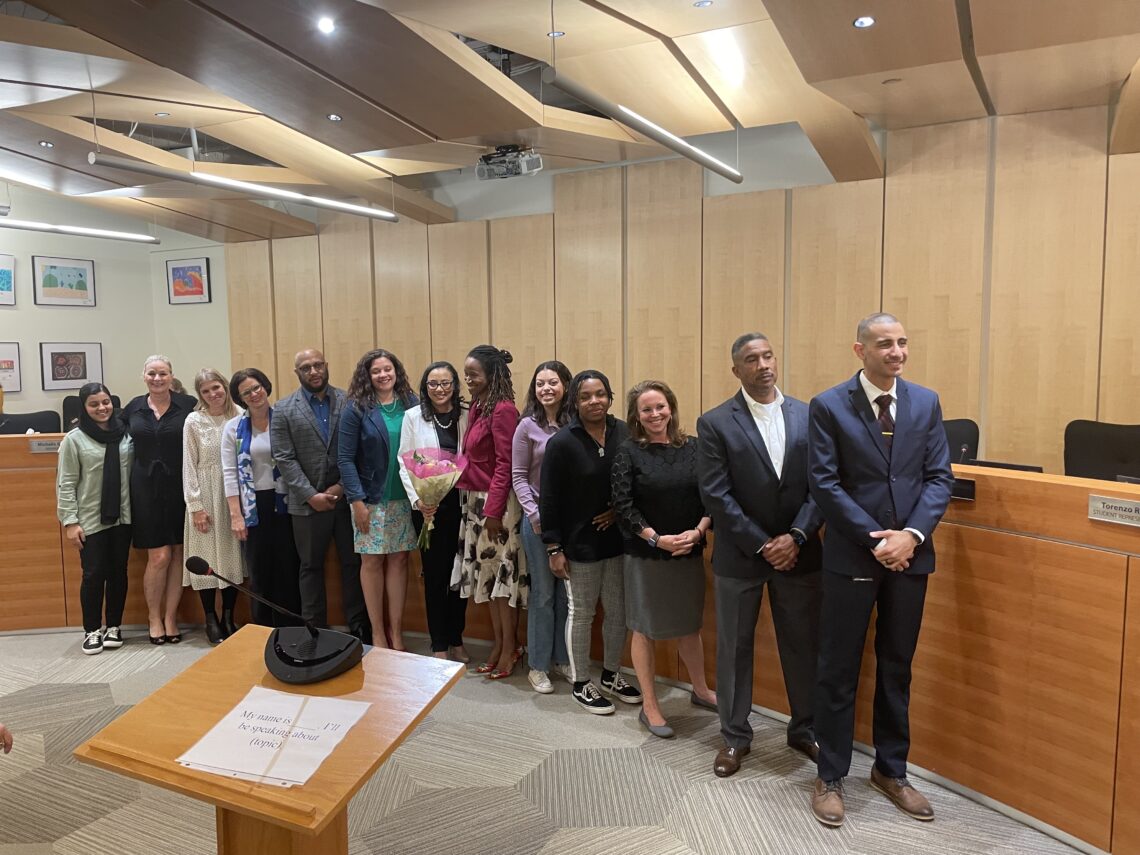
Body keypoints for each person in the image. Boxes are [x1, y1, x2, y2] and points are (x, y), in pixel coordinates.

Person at [807, 312, 954, 828]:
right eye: (885, 343)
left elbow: (939, 477)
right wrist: (879, 540)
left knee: (897, 665)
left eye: (903, 343)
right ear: (860, 350)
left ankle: (892, 771)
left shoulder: (926, 402)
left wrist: (910, 536)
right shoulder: (828, 406)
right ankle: (829, 775)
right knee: (838, 669)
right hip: (853, 556)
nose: (897, 352)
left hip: (910, 558)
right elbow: (825, 484)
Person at [696, 333, 824, 776]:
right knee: (734, 648)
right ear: (737, 370)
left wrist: (797, 537)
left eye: (768, 355)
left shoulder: (810, 415)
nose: (763, 364)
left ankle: (805, 728)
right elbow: (717, 495)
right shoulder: (714, 422)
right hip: (740, 556)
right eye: (751, 359)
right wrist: (763, 544)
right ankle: (734, 736)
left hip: (800, 554)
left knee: (802, 646)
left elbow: (821, 486)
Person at [612, 380, 715, 738]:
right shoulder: (628, 452)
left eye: (660, 407)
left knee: (690, 624)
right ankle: (650, 706)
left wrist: (699, 531)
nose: (655, 414)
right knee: (645, 628)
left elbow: (711, 499)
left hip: (688, 549)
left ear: (671, 407)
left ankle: (700, 690)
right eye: (646, 410)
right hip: (646, 555)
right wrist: (657, 540)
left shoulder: (695, 448)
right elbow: (623, 507)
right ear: (636, 417)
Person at [540, 369, 642, 714]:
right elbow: (549, 500)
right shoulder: (562, 442)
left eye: (600, 394)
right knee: (582, 613)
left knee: (618, 612)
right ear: (575, 401)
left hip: (618, 541)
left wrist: (618, 510)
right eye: (585, 396)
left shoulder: (624, 433)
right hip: (578, 544)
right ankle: (582, 682)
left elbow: (636, 479)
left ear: (610, 397)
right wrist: (553, 548)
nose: (594, 401)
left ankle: (612, 674)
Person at [271, 348, 370, 641]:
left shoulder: (350, 401)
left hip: (347, 498)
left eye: (317, 365)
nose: (313, 371)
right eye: (305, 368)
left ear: (326, 366)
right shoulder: (283, 409)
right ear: (297, 373)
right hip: (306, 504)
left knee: (352, 564)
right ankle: (315, 627)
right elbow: (284, 458)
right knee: (310, 566)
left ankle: (358, 626)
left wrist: (340, 488)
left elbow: (359, 450)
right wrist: (311, 495)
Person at [451, 345, 525, 678]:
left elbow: (506, 465)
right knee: (490, 579)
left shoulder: (504, 409)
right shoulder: (480, 406)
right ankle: (498, 643)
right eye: (466, 373)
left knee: (503, 582)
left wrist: (493, 512)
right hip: (474, 503)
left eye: (473, 374)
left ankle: (510, 647)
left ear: (491, 374)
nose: (467, 380)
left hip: (496, 507)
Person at [339, 348, 418, 650]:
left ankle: (396, 632)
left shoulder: (412, 404)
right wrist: (356, 501)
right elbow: (345, 459)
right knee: (371, 562)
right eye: (376, 371)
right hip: (369, 500)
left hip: (404, 498)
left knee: (399, 560)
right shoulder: (356, 408)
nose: (383, 375)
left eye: (388, 369)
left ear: (396, 371)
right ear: (367, 376)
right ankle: (377, 633)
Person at [122, 355, 197, 644]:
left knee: (178, 552)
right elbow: (108, 431)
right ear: (143, 376)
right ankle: (153, 617)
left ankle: (170, 617)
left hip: (180, 486)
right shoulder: (133, 408)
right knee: (159, 556)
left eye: (162, 373)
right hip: (145, 488)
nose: (157, 378)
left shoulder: (187, 405)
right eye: (152, 373)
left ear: (171, 376)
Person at [398, 361, 469, 662]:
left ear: (455, 384)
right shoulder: (413, 416)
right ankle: (439, 642)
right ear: (424, 388)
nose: (440, 389)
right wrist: (419, 501)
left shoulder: (466, 414)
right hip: (429, 508)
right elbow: (405, 461)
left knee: (460, 575)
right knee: (437, 576)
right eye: (433, 384)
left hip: (463, 505)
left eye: (446, 383)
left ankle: (457, 638)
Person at [56, 382, 133, 655]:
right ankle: (91, 630)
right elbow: (65, 483)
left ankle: (114, 626)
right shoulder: (74, 439)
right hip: (89, 519)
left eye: (106, 402)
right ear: (84, 408)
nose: (102, 408)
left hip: (122, 517)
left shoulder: (126, 435)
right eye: (94, 404)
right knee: (93, 575)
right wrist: (70, 522)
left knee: (118, 573)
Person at [223, 368, 301, 628]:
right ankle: (263, 629)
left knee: (287, 568)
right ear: (240, 398)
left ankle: (290, 628)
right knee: (259, 571)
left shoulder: (285, 419)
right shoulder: (233, 428)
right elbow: (230, 473)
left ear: (265, 387)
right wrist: (236, 515)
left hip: (286, 503)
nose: (254, 394)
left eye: (257, 387)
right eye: (246, 392)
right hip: (252, 506)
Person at [512, 360, 573, 694]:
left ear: (566, 384)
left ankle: (562, 658)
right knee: (543, 595)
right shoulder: (526, 427)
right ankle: (537, 665)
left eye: (552, 382)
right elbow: (518, 476)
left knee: (568, 595)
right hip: (537, 523)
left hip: (571, 524)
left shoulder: (576, 424)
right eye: (540, 383)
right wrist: (535, 516)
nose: (546, 388)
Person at [182, 368, 244, 644]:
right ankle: (210, 618)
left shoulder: (240, 415)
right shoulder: (194, 420)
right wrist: (195, 505)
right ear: (200, 395)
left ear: (225, 386)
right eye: (205, 391)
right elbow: (188, 464)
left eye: (216, 387)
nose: (212, 394)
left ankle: (229, 616)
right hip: (204, 494)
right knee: (206, 556)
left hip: (234, 494)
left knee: (232, 558)